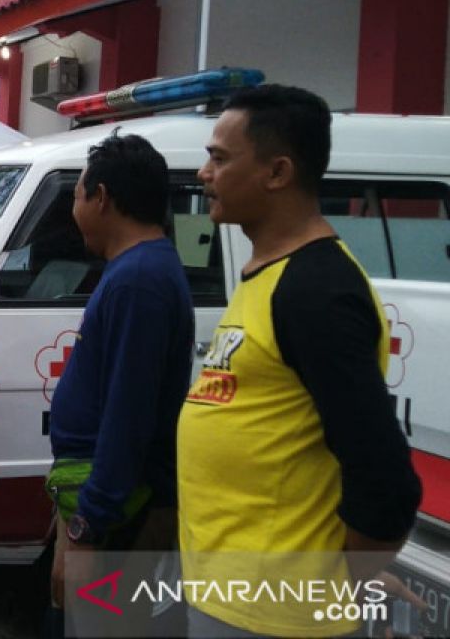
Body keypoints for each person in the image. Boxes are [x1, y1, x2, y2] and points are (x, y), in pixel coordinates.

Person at [179, 85, 423, 637]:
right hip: (231, 598)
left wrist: (349, 582)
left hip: (278, 617)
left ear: (277, 171)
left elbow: (386, 482)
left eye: (219, 158)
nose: (204, 173)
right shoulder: (268, 273)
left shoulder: (317, 291)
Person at [45, 133, 194, 635]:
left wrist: (87, 527)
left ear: (102, 198)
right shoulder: (135, 270)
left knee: (103, 626)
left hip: (118, 511)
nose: (74, 210)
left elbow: (128, 417)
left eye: (76, 195)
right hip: (106, 501)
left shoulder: (138, 280)